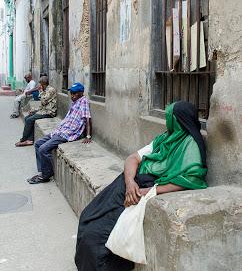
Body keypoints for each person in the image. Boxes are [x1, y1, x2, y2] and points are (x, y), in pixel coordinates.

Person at [75, 101, 207, 271]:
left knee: (96, 236)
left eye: (169, 118)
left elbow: (193, 179)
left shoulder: (190, 145)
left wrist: (151, 191)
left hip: (144, 188)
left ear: (177, 121)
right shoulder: (164, 138)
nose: (167, 122)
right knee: (88, 216)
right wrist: (130, 182)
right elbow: (132, 159)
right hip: (129, 183)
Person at [27, 82, 92, 185]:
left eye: (74, 93)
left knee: (44, 149)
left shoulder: (83, 101)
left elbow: (88, 119)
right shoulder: (75, 102)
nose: (72, 96)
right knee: (38, 143)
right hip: (61, 130)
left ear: (81, 93)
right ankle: (43, 171)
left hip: (68, 133)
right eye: (71, 93)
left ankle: (46, 175)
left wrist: (88, 136)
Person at [15, 76, 57, 147]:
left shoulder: (50, 90)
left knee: (29, 120)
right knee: (27, 118)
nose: (39, 86)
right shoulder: (45, 89)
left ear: (43, 84)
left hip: (49, 112)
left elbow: (43, 101)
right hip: (43, 110)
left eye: (40, 84)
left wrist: (40, 91)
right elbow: (42, 106)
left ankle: (23, 139)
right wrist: (34, 110)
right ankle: (30, 140)